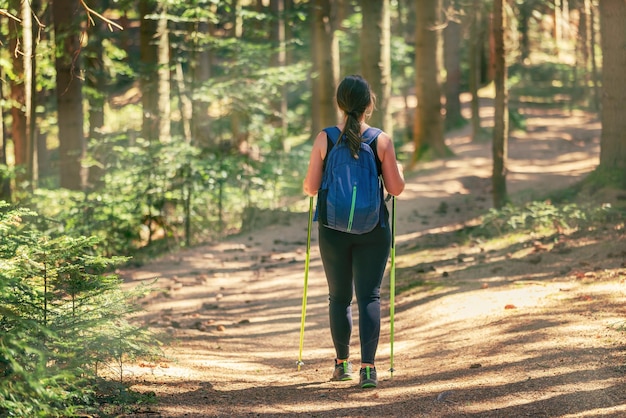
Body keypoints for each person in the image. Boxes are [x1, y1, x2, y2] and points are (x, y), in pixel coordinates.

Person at [303, 75, 405, 388]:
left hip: (333, 230)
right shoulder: (380, 140)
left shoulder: (325, 138)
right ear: (369, 104)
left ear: (340, 104)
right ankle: (369, 369)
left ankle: (341, 365)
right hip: (373, 229)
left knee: (339, 297)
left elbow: (310, 188)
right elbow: (396, 189)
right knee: (369, 296)